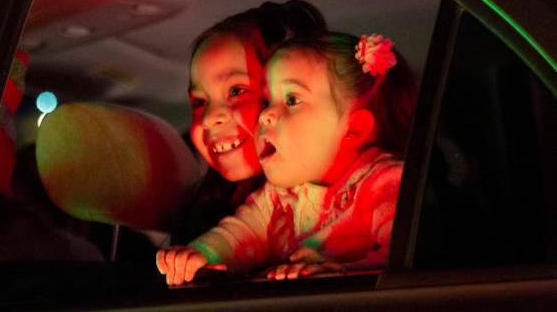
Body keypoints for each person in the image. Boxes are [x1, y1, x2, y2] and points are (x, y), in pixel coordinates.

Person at [157, 32, 416, 285]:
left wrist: (342, 273)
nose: (265, 115)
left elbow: (407, 256)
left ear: (354, 128)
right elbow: (240, 235)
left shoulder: (384, 183)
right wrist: (200, 255)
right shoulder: (277, 195)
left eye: (291, 99)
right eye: (268, 100)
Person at [170, 0, 326, 244]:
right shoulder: (204, 224)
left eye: (236, 91)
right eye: (200, 102)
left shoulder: (343, 201)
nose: (210, 118)